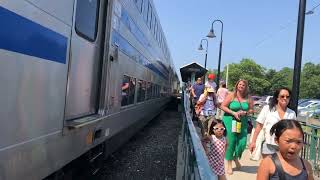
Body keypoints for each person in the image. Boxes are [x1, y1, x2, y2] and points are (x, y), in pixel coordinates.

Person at [249, 87, 296, 158]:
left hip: (285, 146)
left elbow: (294, 130)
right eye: (282, 96)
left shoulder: (292, 113)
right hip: (268, 144)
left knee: (281, 167)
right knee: (269, 167)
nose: (285, 98)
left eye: (287, 96)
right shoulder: (267, 109)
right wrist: (253, 142)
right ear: (277, 97)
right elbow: (258, 126)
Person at [220, 79, 254, 175]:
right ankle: (229, 164)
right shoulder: (231, 95)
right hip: (230, 121)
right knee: (231, 142)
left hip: (242, 122)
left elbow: (252, 110)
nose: (241, 86)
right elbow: (222, 106)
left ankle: (236, 157)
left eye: (243, 85)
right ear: (237, 85)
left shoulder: (249, 98)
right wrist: (233, 113)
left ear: (246, 87)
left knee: (242, 143)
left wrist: (246, 112)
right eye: (240, 84)